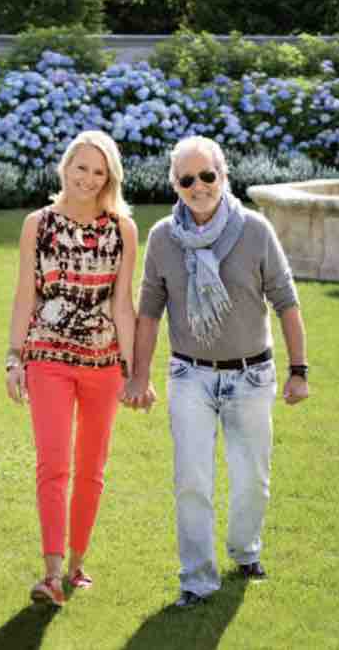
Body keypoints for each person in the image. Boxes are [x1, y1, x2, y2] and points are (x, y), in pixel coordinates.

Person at [126, 135, 309, 608]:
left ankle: (246, 551)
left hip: (251, 377)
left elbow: (286, 301)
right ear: (176, 184)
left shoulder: (255, 230)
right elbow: (149, 310)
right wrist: (137, 376)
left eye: (207, 175)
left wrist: (299, 370)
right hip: (190, 377)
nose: (199, 186)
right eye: (187, 179)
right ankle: (196, 579)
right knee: (192, 481)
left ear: (223, 176)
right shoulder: (164, 237)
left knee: (252, 479)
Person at [6, 128, 140, 607]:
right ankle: (51, 572)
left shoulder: (122, 229)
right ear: (65, 167)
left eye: (98, 171)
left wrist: (132, 368)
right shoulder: (37, 224)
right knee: (53, 464)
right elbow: (27, 294)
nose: (87, 178)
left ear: (109, 178)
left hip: (104, 364)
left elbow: (124, 304)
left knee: (92, 468)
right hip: (47, 358)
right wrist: (13, 358)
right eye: (80, 167)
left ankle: (79, 563)